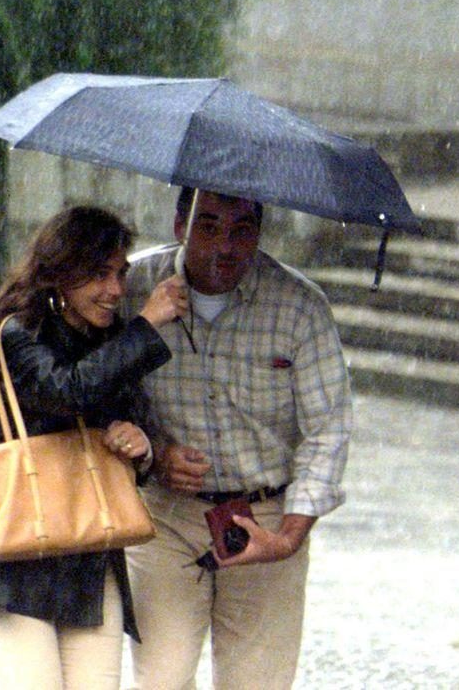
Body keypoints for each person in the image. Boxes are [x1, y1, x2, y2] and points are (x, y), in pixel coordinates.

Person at [122, 187, 352, 689]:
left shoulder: (299, 306)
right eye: (208, 226)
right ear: (180, 225)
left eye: (241, 229)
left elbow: (328, 426)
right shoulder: (135, 285)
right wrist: (156, 456)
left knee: (257, 683)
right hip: (165, 515)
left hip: (265, 513)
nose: (224, 245)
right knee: (161, 678)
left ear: (260, 233)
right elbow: (99, 394)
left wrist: (288, 536)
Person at [0, 206, 188, 689]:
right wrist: (147, 325)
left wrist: (141, 445)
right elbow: (69, 391)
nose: (114, 290)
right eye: (99, 274)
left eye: (120, 274)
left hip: (92, 551)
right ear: (60, 271)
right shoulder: (17, 333)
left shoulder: (108, 339)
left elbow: (138, 424)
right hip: (20, 558)